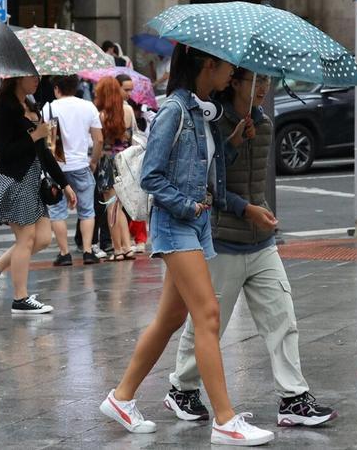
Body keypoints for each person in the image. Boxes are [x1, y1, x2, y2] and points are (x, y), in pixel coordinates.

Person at [100, 44, 277, 446]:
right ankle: (226, 420)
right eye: (227, 64)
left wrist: (231, 143)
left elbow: (207, 176)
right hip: (176, 224)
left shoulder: (201, 112)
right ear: (207, 64)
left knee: (170, 320)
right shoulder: (175, 111)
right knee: (208, 315)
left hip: (193, 226)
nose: (232, 72)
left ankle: (121, 397)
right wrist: (188, 205)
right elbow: (152, 176)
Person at [166, 67, 335, 428]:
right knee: (209, 324)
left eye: (269, 81)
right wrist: (246, 204)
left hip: (261, 243)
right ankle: (182, 386)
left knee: (282, 318)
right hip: (223, 241)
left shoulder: (267, 124)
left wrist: (260, 212)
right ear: (235, 83)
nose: (264, 89)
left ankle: (293, 398)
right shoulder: (212, 123)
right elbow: (207, 184)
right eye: (256, 81)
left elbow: (255, 183)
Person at [0, 75, 76, 314]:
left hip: (33, 181)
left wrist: (65, 184)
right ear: (17, 78)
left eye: (38, 77)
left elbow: (44, 153)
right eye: (32, 77)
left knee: (43, 238)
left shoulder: (32, 105)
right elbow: (5, 152)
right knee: (26, 239)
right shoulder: (5, 108)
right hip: (15, 179)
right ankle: (20, 298)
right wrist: (34, 135)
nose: (36, 81)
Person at [43, 75, 104, 266]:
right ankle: (87, 251)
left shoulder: (49, 108)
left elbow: (49, 142)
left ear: (56, 89)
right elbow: (99, 140)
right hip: (81, 165)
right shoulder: (88, 107)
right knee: (87, 210)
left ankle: (64, 253)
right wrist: (93, 161)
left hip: (57, 167)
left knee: (57, 211)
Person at [94, 77, 137, 261]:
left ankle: (118, 249)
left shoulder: (102, 115)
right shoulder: (128, 110)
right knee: (121, 206)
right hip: (125, 161)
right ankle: (127, 246)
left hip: (107, 162)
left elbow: (99, 141)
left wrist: (93, 161)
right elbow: (134, 134)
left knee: (112, 207)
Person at [116, 74, 149, 251]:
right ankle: (126, 241)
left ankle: (137, 239)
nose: (129, 93)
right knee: (122, 202)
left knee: (135, 198)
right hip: (121, 160)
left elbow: (134, 135)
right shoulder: (115, 108)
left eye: (130, 89)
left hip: (128, 159)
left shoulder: (127, 108)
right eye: (125, 89)